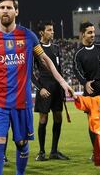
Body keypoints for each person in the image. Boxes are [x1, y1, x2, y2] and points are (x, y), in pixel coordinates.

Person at [0, 0, 73, 175]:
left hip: (21, 102)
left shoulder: (28, 36)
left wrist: (62, 81)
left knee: (21, 143)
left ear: (16, 11)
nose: (5, 10)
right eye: (2, 7)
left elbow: (44, 58)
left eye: (9, 7)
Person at [73, 21, 100, 156]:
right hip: (91, 90)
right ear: (82, 34)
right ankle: (97, 150)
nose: (93, 35)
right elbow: (77, 70)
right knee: (93, 121)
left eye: (93, 32)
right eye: (89, 32)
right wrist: (85, 82)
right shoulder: (78, 53)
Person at [32, 20, 69, 161]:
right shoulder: (36, 49)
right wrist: (39, 88)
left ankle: (54, 150)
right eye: (49, 30)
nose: (52, 32)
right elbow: (30, 73)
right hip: (44, 87)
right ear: (42, 32)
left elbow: (59, 70)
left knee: (58, 117)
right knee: (43, 118)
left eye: (53, 30)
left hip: (57, 88)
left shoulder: (56, 48)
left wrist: (62, 87)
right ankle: (41, 152)